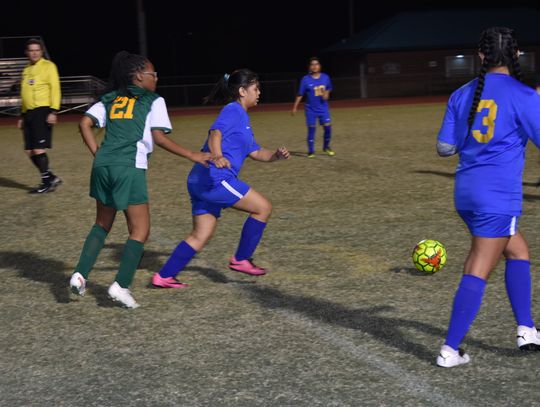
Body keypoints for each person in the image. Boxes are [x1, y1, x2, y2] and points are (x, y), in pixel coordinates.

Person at [69, 51, 210, 308]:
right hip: (129, 167)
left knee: (102, 223)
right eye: (152, 74)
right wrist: (194, 155)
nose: (156, 78)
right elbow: (160, 138)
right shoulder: (153, 100)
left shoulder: (110, 99)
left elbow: (84, 123)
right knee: (141, 230)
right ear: (138, 76)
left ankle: (80, 274)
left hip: (103, 165)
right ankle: (121, 285)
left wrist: (97, 153)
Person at [436, 27, 540, 367]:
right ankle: (450, 350)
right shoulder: (524, 95)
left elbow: (444, 148)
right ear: (517, 55)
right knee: (478, 265)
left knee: (518, 249)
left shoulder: (461, 94)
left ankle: (526, 328)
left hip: (466, 194)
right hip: (497, 197)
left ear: (480, 56)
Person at [152, 69, 290, 288]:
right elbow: (215, 133)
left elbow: (256, 152)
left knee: (200, 235)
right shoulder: (233, 110)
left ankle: (164, 276)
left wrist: (276, 156)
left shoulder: (242, 118)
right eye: (256, 88)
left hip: (200, 180)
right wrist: (217, 155)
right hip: (215, 178)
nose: (259, 93)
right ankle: (241, 259)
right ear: (243, 91)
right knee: (263, 208)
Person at [18, 38, 62, 194]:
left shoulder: (49, 66)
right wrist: (22, 115)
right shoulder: (26, 70)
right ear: (27, 53)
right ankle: (50, 177)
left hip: (42, 111)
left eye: (37, 50)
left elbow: (55, 89)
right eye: (31, 50)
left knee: (38, 149)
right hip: (28, 113)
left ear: (41, 51)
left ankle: (46, 181)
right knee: (29, 150)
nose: (34, 53)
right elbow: (24, 94)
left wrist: (53, 111)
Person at [291, 57, 334, 158]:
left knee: (328, 128)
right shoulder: (305, 79)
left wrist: (327, 94)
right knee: (311, 129)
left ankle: (326, 147)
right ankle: (311, 151)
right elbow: (300, 94)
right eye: (312, 64)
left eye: (316, 64)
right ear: (310, 67)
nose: (315, 66)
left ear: (320, 66)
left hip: (323, 109)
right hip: (310, 109)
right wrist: (295, 107)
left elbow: (329, 88)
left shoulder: (325, 77)